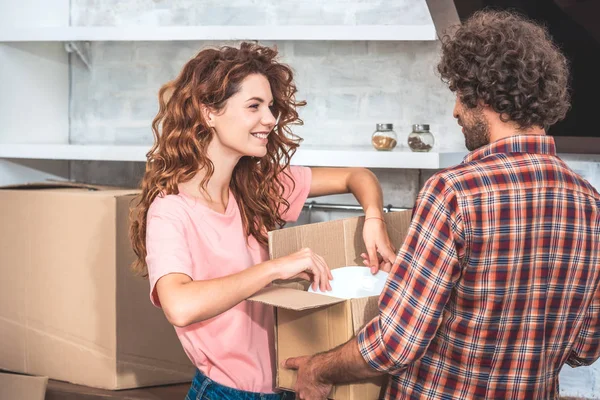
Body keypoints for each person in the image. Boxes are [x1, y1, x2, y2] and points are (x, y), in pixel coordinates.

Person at [284, 9, 600, 400]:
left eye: (459, 95)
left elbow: (395, 343)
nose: (454, 111)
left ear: (482, 93)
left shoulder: (453, 192)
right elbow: (585, 348)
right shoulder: (590, 204)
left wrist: (318, 367)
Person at [128, 42, 396, 400]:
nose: (270, 119)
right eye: (254, 106)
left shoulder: (257, 187)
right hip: (225, 393)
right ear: (209, 112)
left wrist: (374, 220)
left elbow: (357, 176)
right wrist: (274, 269)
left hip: (286, 387)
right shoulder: (171, 210)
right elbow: (179, 306)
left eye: (270, 106)